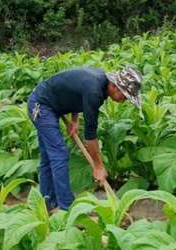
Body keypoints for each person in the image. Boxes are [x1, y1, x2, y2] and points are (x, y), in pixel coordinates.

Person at [27, 66, 143, 212]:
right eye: (124, 96)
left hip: (49, 102)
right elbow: (90, 134)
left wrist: (75, 121)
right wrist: (99, 166)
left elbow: (74, 93)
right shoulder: (94, 90)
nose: (124, 100)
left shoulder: (100, 84)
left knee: (48, 157)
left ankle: (48, 204)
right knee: (59, 153)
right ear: (114, 85)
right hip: (41, 105)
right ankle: (68, 211)